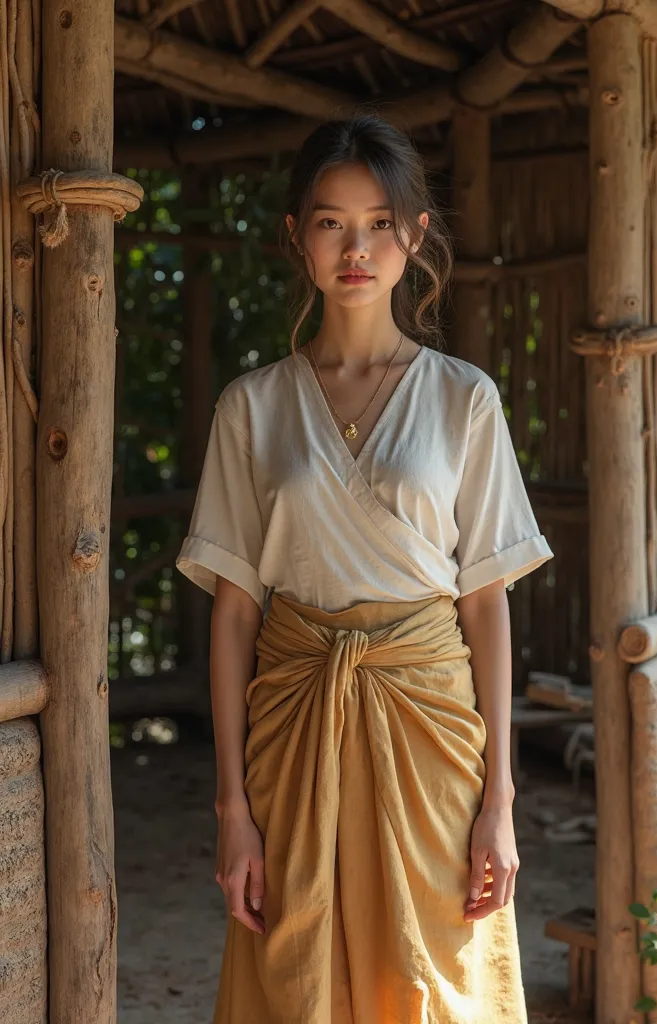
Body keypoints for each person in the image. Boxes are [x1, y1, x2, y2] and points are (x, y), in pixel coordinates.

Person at [176, 113, 554, 1024]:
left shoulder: (464, 397)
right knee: (294, 977)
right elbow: (234, 615)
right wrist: (233, 807)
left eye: (381, 221)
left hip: (429, 726)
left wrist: (498, 797)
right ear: (298, 236)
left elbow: (486, 605)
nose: (357, 247)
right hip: (294, 724)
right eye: (332, 221)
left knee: (439, 976)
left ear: (415, 235)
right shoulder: (253, 406)